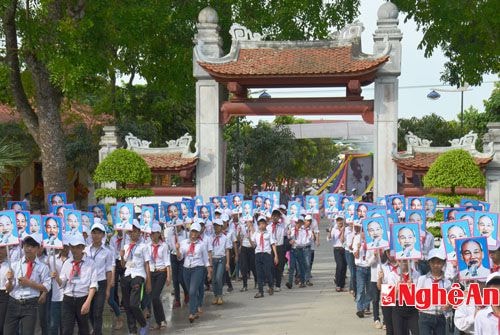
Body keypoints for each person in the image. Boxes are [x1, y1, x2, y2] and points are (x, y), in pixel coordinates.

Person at [4, 235, 51, 335]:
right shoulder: (14, 265)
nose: (28, 249)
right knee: (7, 332)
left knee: (27, 332)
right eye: (26, 246)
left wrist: (30, 283)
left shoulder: (43, 267)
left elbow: (46, 287)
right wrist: (10, 280)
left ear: (38, 248)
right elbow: (8, 289)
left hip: (31, 303)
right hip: (13, 302)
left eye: (32, 246)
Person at [54, 234, 97, 335]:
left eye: (78, 247)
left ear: (83, 248)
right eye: (72, 247)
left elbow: (93, 285)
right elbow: (63, 283)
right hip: (68, 299)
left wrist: (88, 302)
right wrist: (57, 278)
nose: (75, 250)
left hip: (82, 298)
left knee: (83, 329)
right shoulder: (68, 263)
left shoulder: (90, 263)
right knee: (67, 329)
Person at [175, 222, 211, 323]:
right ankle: (194, 309)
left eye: (196, 232)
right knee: (190, 291)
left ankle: (192, 312)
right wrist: (177, 249)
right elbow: (180, 257)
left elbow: (205, 259)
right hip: (186, 269)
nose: (193, 233)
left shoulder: (202, 245)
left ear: (199, 233)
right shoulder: (184, 243)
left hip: (198, 268)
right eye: (192, 231)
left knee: (192, 291)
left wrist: (208, 271)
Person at [120, 221, 152, 334]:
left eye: (136, 231)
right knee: (127, 306)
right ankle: (132, 330)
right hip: (128, 274)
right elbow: (124, 265)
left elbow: (147, 264)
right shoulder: (126, 246)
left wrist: (148, 282)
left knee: (134, 304)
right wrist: (122, 257)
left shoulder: (144, 246)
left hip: (139, 275)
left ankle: (143, 323)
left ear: (139, 232)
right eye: (131, 231)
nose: (133, 233)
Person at [85, 223, 114, 335]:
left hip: (101, 283)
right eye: (94, 232)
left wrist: (107, 289)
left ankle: (98, 332)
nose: (96, 235)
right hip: (87, 284)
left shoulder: (107, 252)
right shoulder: (86, 250)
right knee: (90, 312)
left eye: (99, 233)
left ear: (103, 235)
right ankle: (95, 330)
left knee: (98, 311)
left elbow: (108, 270)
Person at [416, 249, 451, 335]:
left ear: (443, 263)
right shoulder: (422, 279)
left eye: (439, 262)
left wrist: (449, 305)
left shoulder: (447, 282)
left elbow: (451, 300)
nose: (436, 265)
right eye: (433, 262)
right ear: (429, 263)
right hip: (425, 316)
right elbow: (416, 297)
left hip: (440, 317)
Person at [147, 223, 170, 330]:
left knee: (156, 296)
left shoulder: (164, 246)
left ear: (158, 234)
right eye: (151, 233)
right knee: (153, 298)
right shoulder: (147, 246)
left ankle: (162, 320)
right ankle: (158, 321)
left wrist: (169, 276)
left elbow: (167, 262)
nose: (152, 235)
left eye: (154, 233)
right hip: (151, 272)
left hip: (161, 272)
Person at [352, 222, 374, 318]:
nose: (364, 234)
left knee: (370, 291)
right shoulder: (357, 239)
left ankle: (365, 306)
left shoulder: (372, 240)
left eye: (366, 232)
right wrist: (357, 248)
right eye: (363, 232)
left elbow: (374, 255)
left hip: (370, 267)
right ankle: (360, 309)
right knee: (360, 290)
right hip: (360, 268)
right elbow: (355, 255)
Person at [165, 220, 188, 308]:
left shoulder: (185, 233)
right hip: (173, 255)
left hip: (182, 257)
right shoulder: (170, 232)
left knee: (181, 278)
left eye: (178, 224)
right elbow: (168, 245)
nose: (177, 226)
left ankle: (186, 293)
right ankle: (177, 299)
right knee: (175, 280)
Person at [211, 219, 231, 305]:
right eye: (215, 225)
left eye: (218, 226)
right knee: (213, 279)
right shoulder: (211, 237)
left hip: (221, 259)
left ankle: (220, 295)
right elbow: (209, 250)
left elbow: (227, 250)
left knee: (219, 278)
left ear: (221, 227)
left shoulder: (225, 237)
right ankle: (215, 296)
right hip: (213, 259)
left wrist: (227, 263)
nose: (216, 227)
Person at [238, 217, 257, 292]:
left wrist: (249, 235)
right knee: (244, 267)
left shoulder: (254, 229)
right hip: (244, 248)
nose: (247, 223)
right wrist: (239, 232)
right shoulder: (243, 227)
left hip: (251, 249)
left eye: (248, 221)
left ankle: (257, 281)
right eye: (246, 221)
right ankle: (245, 285)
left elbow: (254, 244)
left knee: (253, 267)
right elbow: (239, 238)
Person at [330, 216, 347, 292]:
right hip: (337, 249)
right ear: (336, 222)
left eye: (341, 220)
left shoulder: (346, 229)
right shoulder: (334, 229)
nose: (340, 222)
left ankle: (342, 284)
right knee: (339, 265)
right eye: (338, 221)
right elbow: (329, 239)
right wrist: (329, 233)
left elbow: (343, 240)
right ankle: (338, 284)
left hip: (344, 249)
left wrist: (343, 231)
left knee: (344, 266)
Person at [0, 247, 10, 333]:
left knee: (1, 323)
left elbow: (9, 287)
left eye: (2, 248)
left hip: (4, 295)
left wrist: (10, 281)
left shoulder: (9, 266)